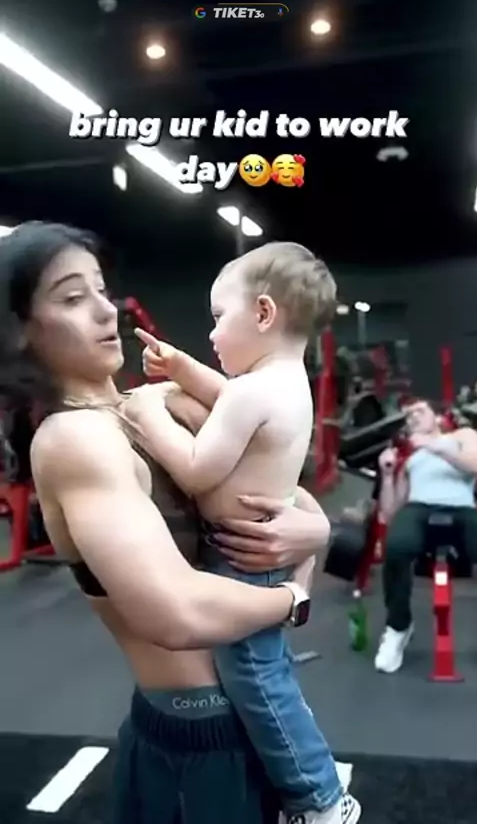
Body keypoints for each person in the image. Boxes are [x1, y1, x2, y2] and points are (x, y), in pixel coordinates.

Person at [0, 221, 336, 824]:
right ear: (19, 331)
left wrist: (318, 532)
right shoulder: (75, 439)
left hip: (248, 714)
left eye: (102, 290)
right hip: (200, 742)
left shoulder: (151, 404)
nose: (106, 311)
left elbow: (284, 491)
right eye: (73, 297)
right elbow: (177, 613)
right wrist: (295, 595)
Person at [124, 242, 361, 824]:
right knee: (265, 671)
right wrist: (182, 369)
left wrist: (149, 415)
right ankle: (311, 777)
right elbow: (227, 398)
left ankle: (319, 798)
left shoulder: (254, 392)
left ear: (262, 313)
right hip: (257, 552)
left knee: (254, 678)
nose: (210, 333)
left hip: (243, 561)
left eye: (217, 316)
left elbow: (197, 468)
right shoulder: (283, 382)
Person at [375, 397, 477, 674]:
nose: (413, 416)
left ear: (437, 416)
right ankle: (398, 626)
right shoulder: (409, 457)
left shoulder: (462, 436)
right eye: (408, 415)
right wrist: (388, 476)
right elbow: (389, 511)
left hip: (462, 509)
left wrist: (435, 446)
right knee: (396, 547)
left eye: (420, 411)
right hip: (418, 509)